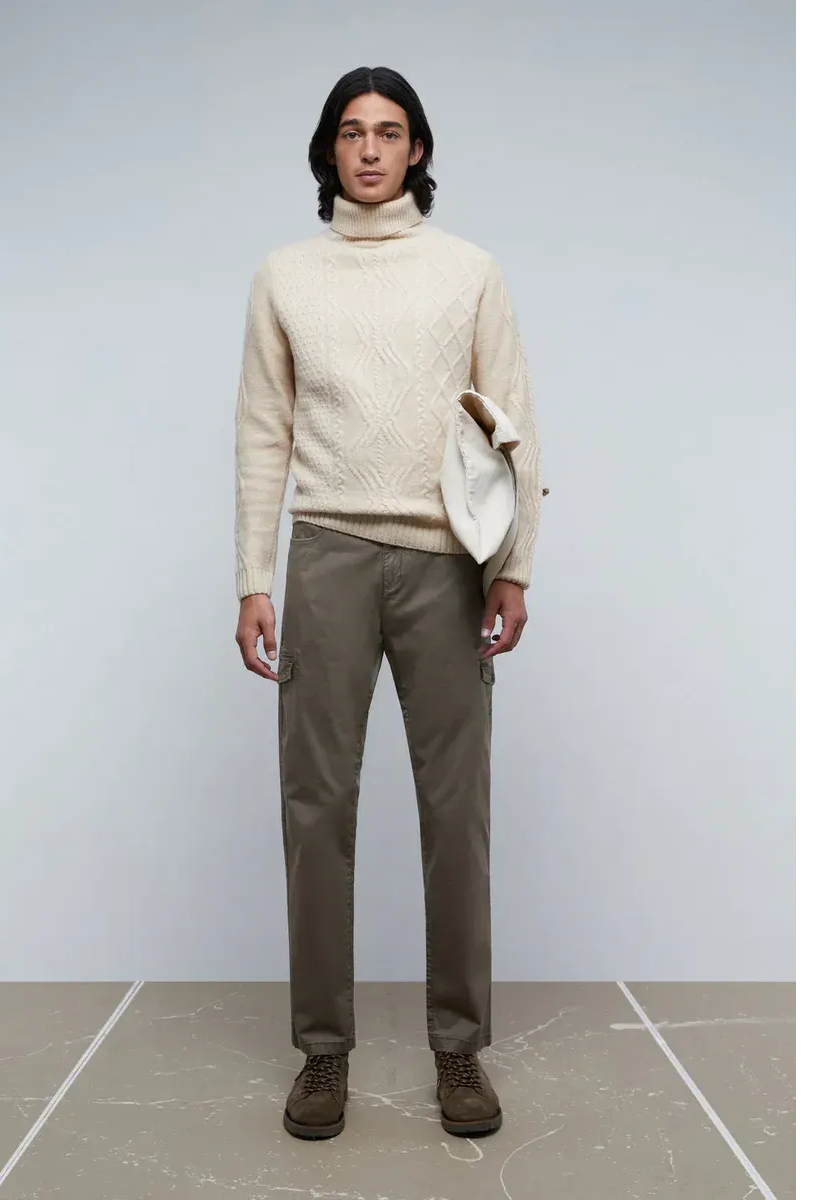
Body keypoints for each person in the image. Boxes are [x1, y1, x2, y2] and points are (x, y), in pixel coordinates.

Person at [234, 65, 545, 1141]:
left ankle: (459, 1049)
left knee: (456, 810)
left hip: (447, 562)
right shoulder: (285, 276)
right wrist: (254, 577)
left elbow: (515, 422)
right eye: (352, 132)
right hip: (325, 554)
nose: (371, 149)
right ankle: (323, 1053)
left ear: (418, 149)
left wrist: (514, 566)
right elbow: (263, 434)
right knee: (315, 806)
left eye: (391, 131)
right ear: (329, 149)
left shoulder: (469, 272)